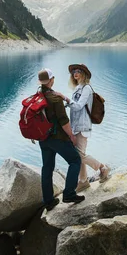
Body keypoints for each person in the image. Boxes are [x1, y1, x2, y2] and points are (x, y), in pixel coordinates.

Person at [37, 68, 85, 209]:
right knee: (75, 160)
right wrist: (71, 136)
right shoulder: (55, 98)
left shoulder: (37, 95)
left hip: (43, 138)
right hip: (57, 138)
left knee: (47, 168)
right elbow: (64, 121)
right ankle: (69, 194)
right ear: (51, 80)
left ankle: (48, 201)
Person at [61, 64, 109, 192]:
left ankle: (102, 168)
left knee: (79, 155)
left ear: (84, 74)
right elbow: (74, 107)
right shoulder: (78, 88)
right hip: (76, 126)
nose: (75, 73)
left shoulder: (86, 88)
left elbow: (78, 106)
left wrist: (65, 99)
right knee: (79, 154)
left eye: (78, 71)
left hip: (83, 126)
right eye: (74, 72)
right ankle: (83, 181)